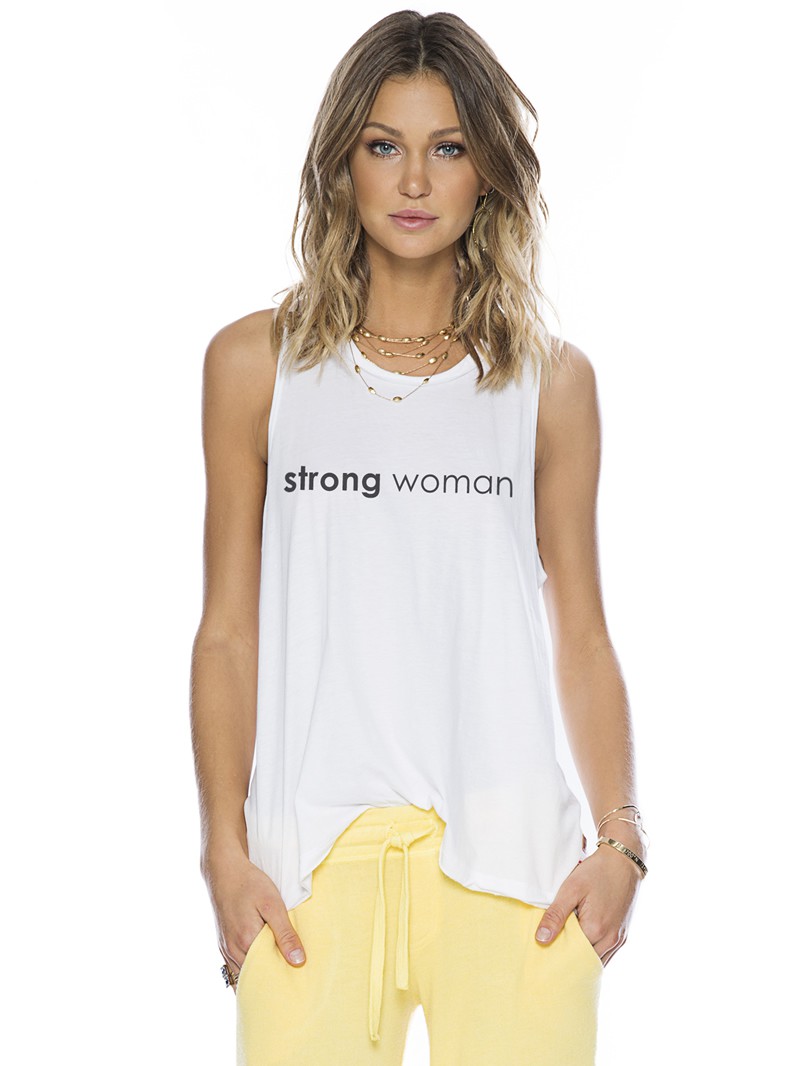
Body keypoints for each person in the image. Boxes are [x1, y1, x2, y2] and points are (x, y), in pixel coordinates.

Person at [190, 10, 649, 1065]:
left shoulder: (549, 384)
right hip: (306, 874)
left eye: (446, 147)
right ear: (340, 162)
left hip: (515, 873)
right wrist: (223, 849)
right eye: (382, 145)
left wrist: (622, 838)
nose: (411, 180)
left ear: (487, 170)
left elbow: (581, 633)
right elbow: (226, 633)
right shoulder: (254, 368)